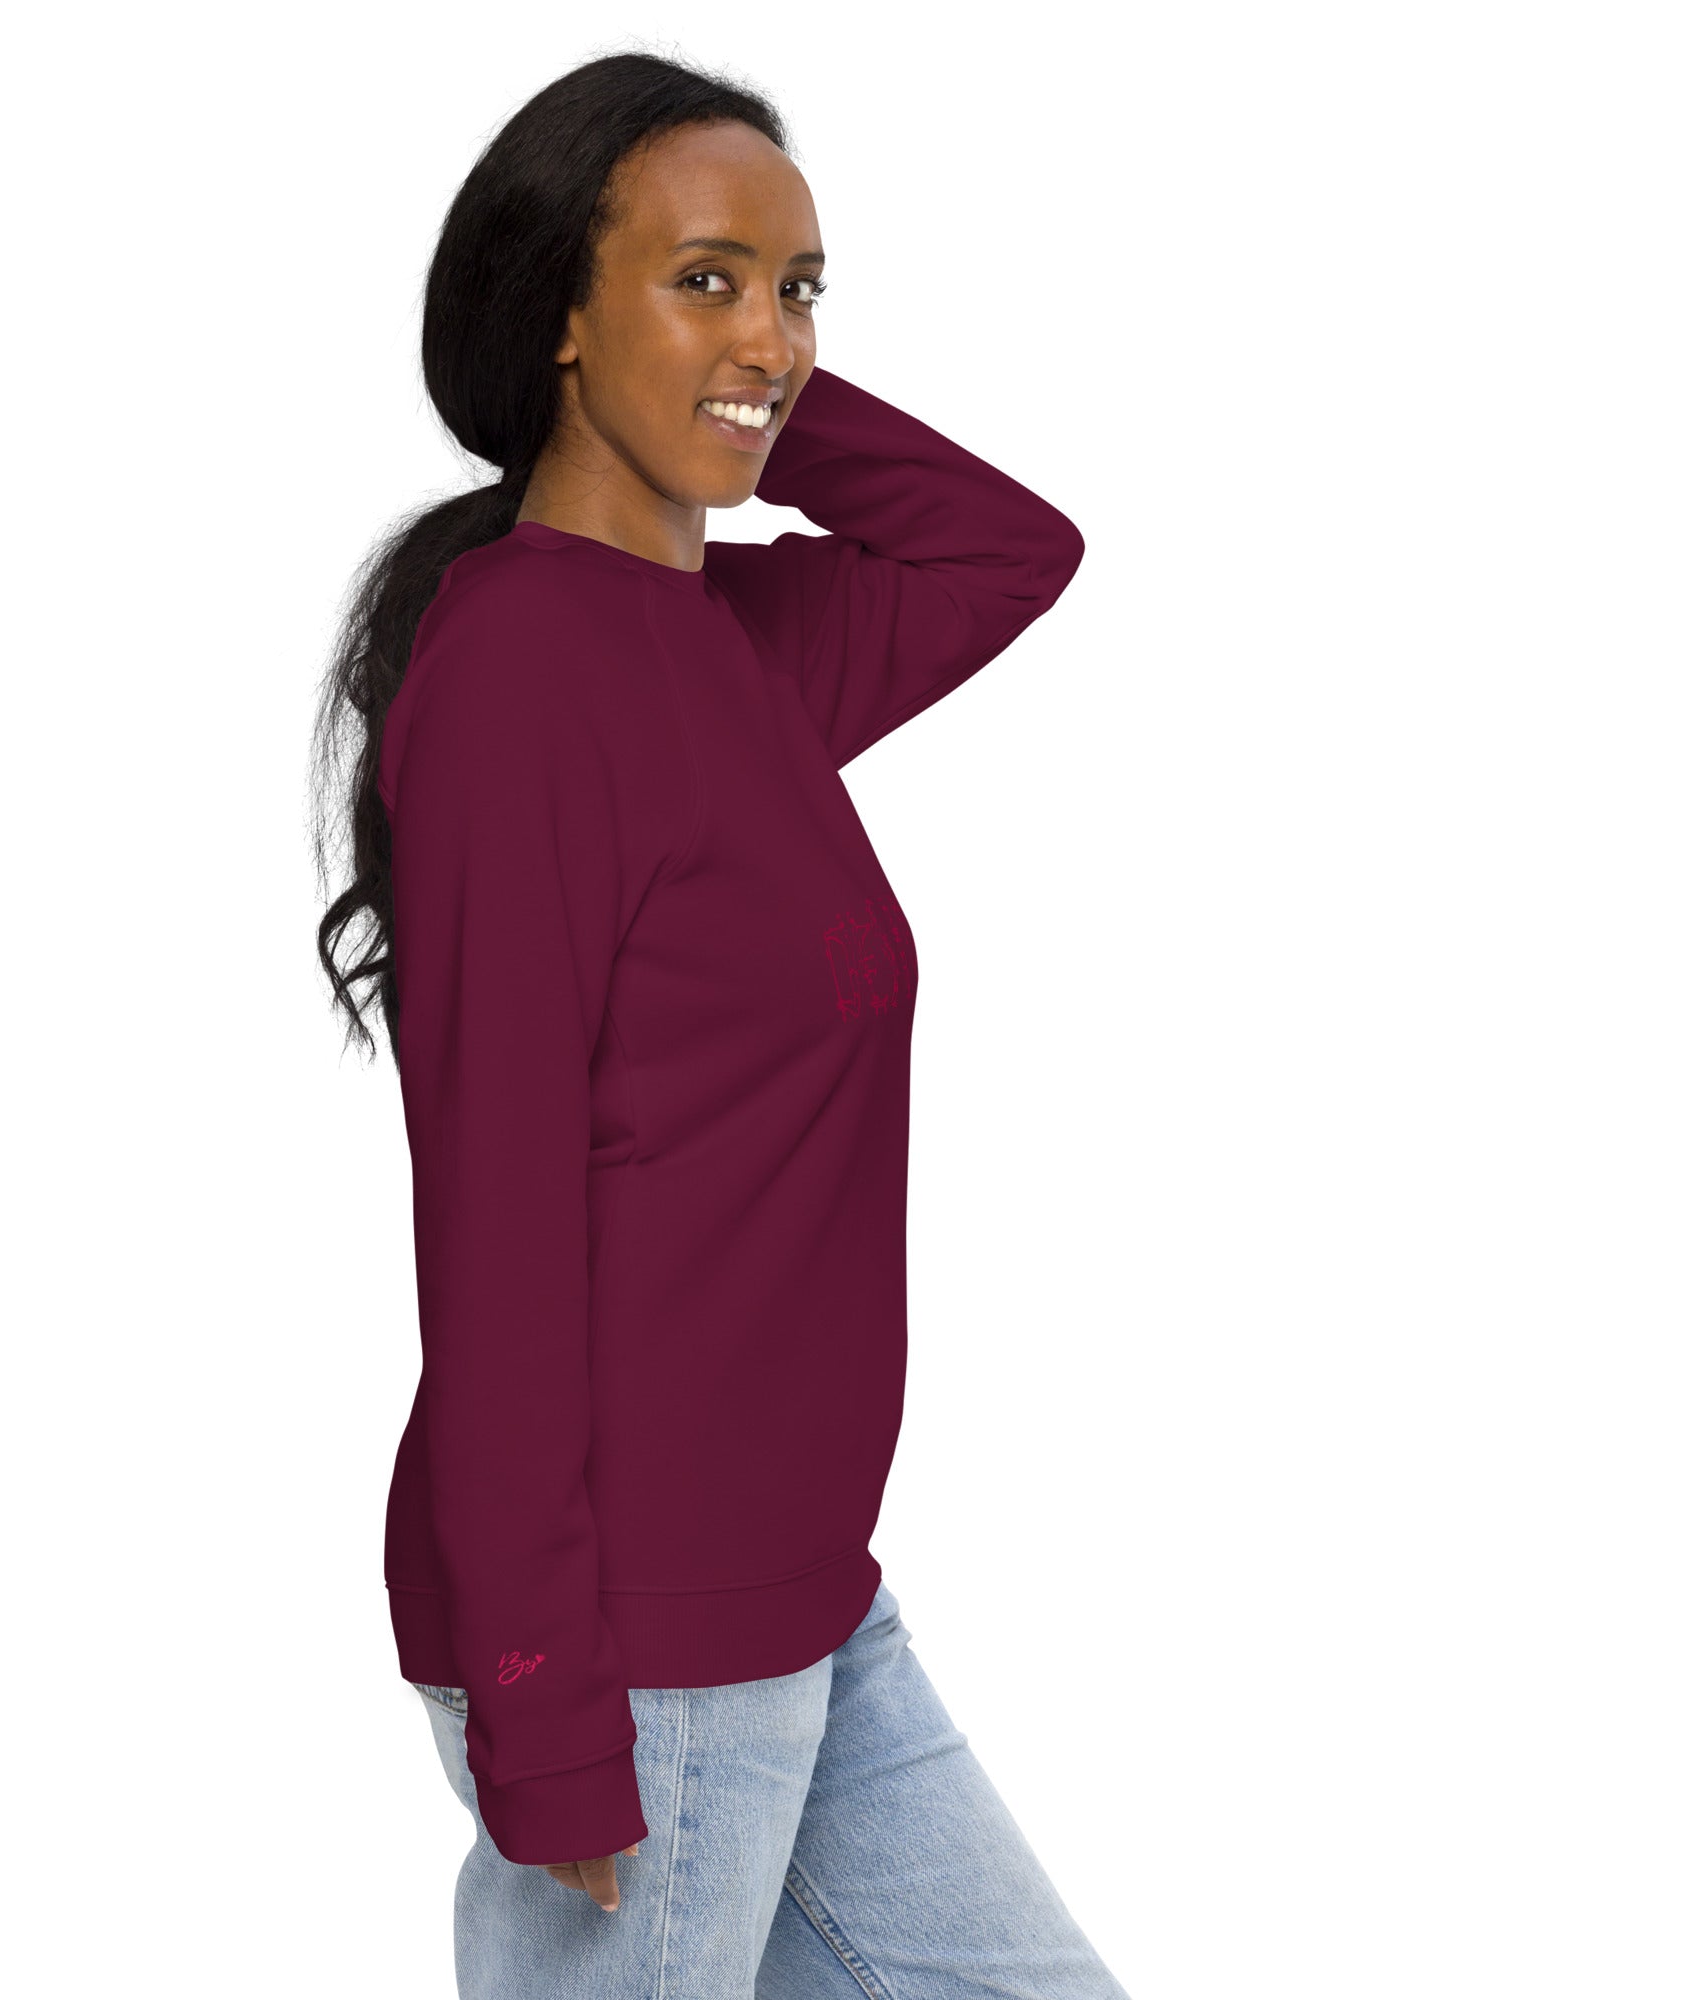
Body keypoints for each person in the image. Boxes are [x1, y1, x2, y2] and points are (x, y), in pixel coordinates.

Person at [312, 49, 1129, 2000]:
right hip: (633, 1637)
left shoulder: (735, 643)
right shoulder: (523, 680)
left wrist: (736, 380)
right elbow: (498, 1220)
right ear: (557, 312)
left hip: (803, 1593)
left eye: (801, 288)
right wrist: (542, 1702)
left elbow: (1008, 551)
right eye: (703, 278)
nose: (772, 331)